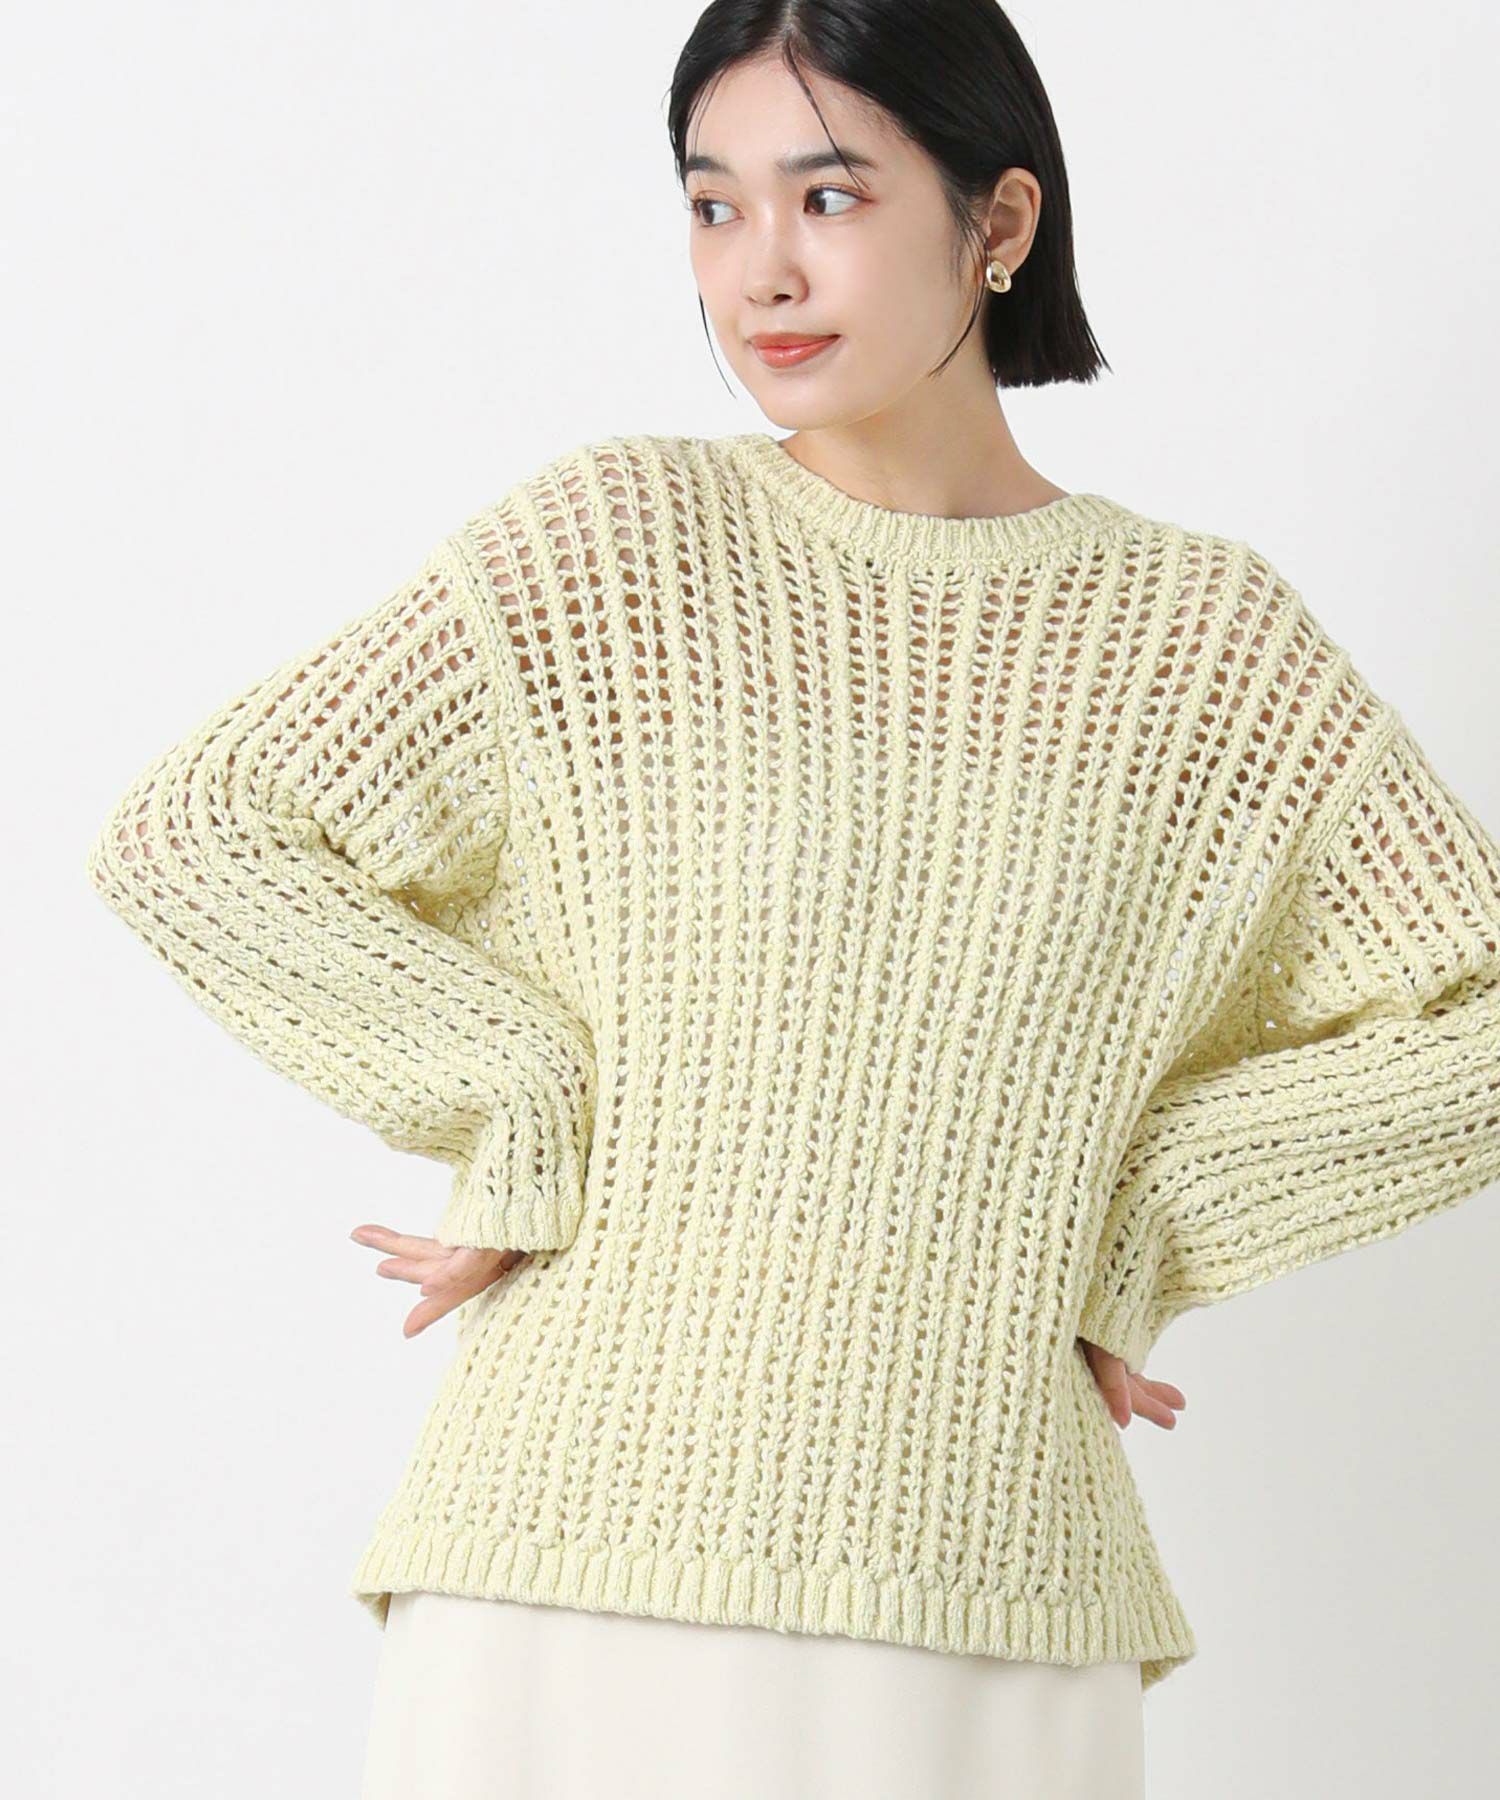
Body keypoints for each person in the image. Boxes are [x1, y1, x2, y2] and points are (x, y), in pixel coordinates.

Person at [84, 4, 1500, 1798]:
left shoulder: (1208, 653)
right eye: (713, 205)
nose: (760, 270)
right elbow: (202, 829)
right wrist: (516, 1088)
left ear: (999, 222)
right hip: (565, 1557)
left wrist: (1144, 1212)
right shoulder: (609, 553)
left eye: (828, 196)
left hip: (986, 1582)